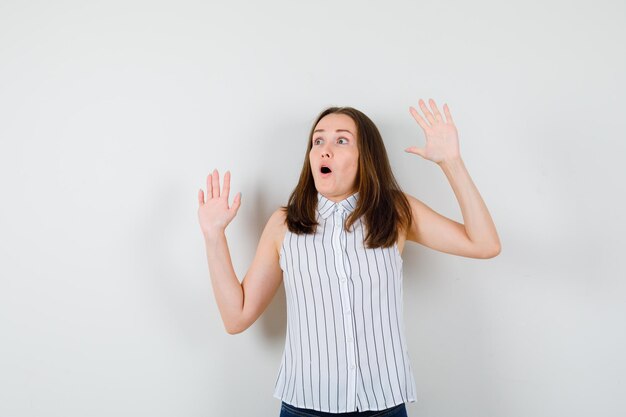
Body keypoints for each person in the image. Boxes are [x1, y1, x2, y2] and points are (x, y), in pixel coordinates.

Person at [197, 99, 501, 416]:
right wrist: (213, 236)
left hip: (384, 406)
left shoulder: (396, 212)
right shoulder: (284, 224)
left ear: (364, 157)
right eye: (318, 141)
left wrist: (452, 163)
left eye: (341, 140)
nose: (325, 149)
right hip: (306, 407)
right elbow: (236, 317)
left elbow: (484, 244)